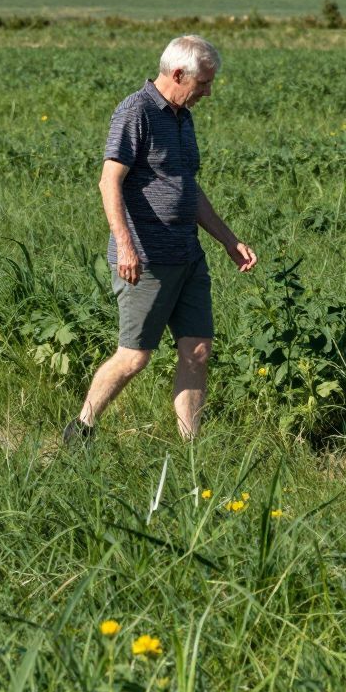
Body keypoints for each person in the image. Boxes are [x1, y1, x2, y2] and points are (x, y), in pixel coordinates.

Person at [64, 35, 256, 445]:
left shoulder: (183, 117)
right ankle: (81, 428)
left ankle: (191, 448)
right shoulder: (136, 112)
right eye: (203, 83)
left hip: (187, 255)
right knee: (134, 356)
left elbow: (187, 187)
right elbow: (109, 182)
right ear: (177, 74)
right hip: (146, 260)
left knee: (198, 351)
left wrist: (228, 240)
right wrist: (127, 245)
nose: (208, 91)